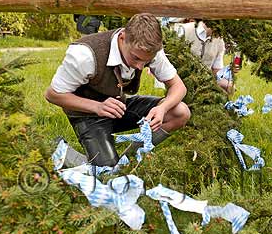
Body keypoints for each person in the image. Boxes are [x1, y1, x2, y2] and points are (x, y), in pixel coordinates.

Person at [45, 13, 190, 167]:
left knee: (180, 112)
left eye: (146, 61)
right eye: (136, 58)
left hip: (119, 106)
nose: (140, 67)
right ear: (122, 38)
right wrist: (97, 107)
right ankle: (59, 150)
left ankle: (128, 161)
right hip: (88, 114)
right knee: (106, 173)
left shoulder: (149, 49)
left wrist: (162, 108)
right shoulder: (84, 55)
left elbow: (179, 87)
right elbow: (52, 94)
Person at [174, 19, 233, 93]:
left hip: (204, 82)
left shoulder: (219, 41)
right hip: (181, 80)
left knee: (227, 87)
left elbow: (216, 70)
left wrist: (227, 82)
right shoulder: (184, 30)